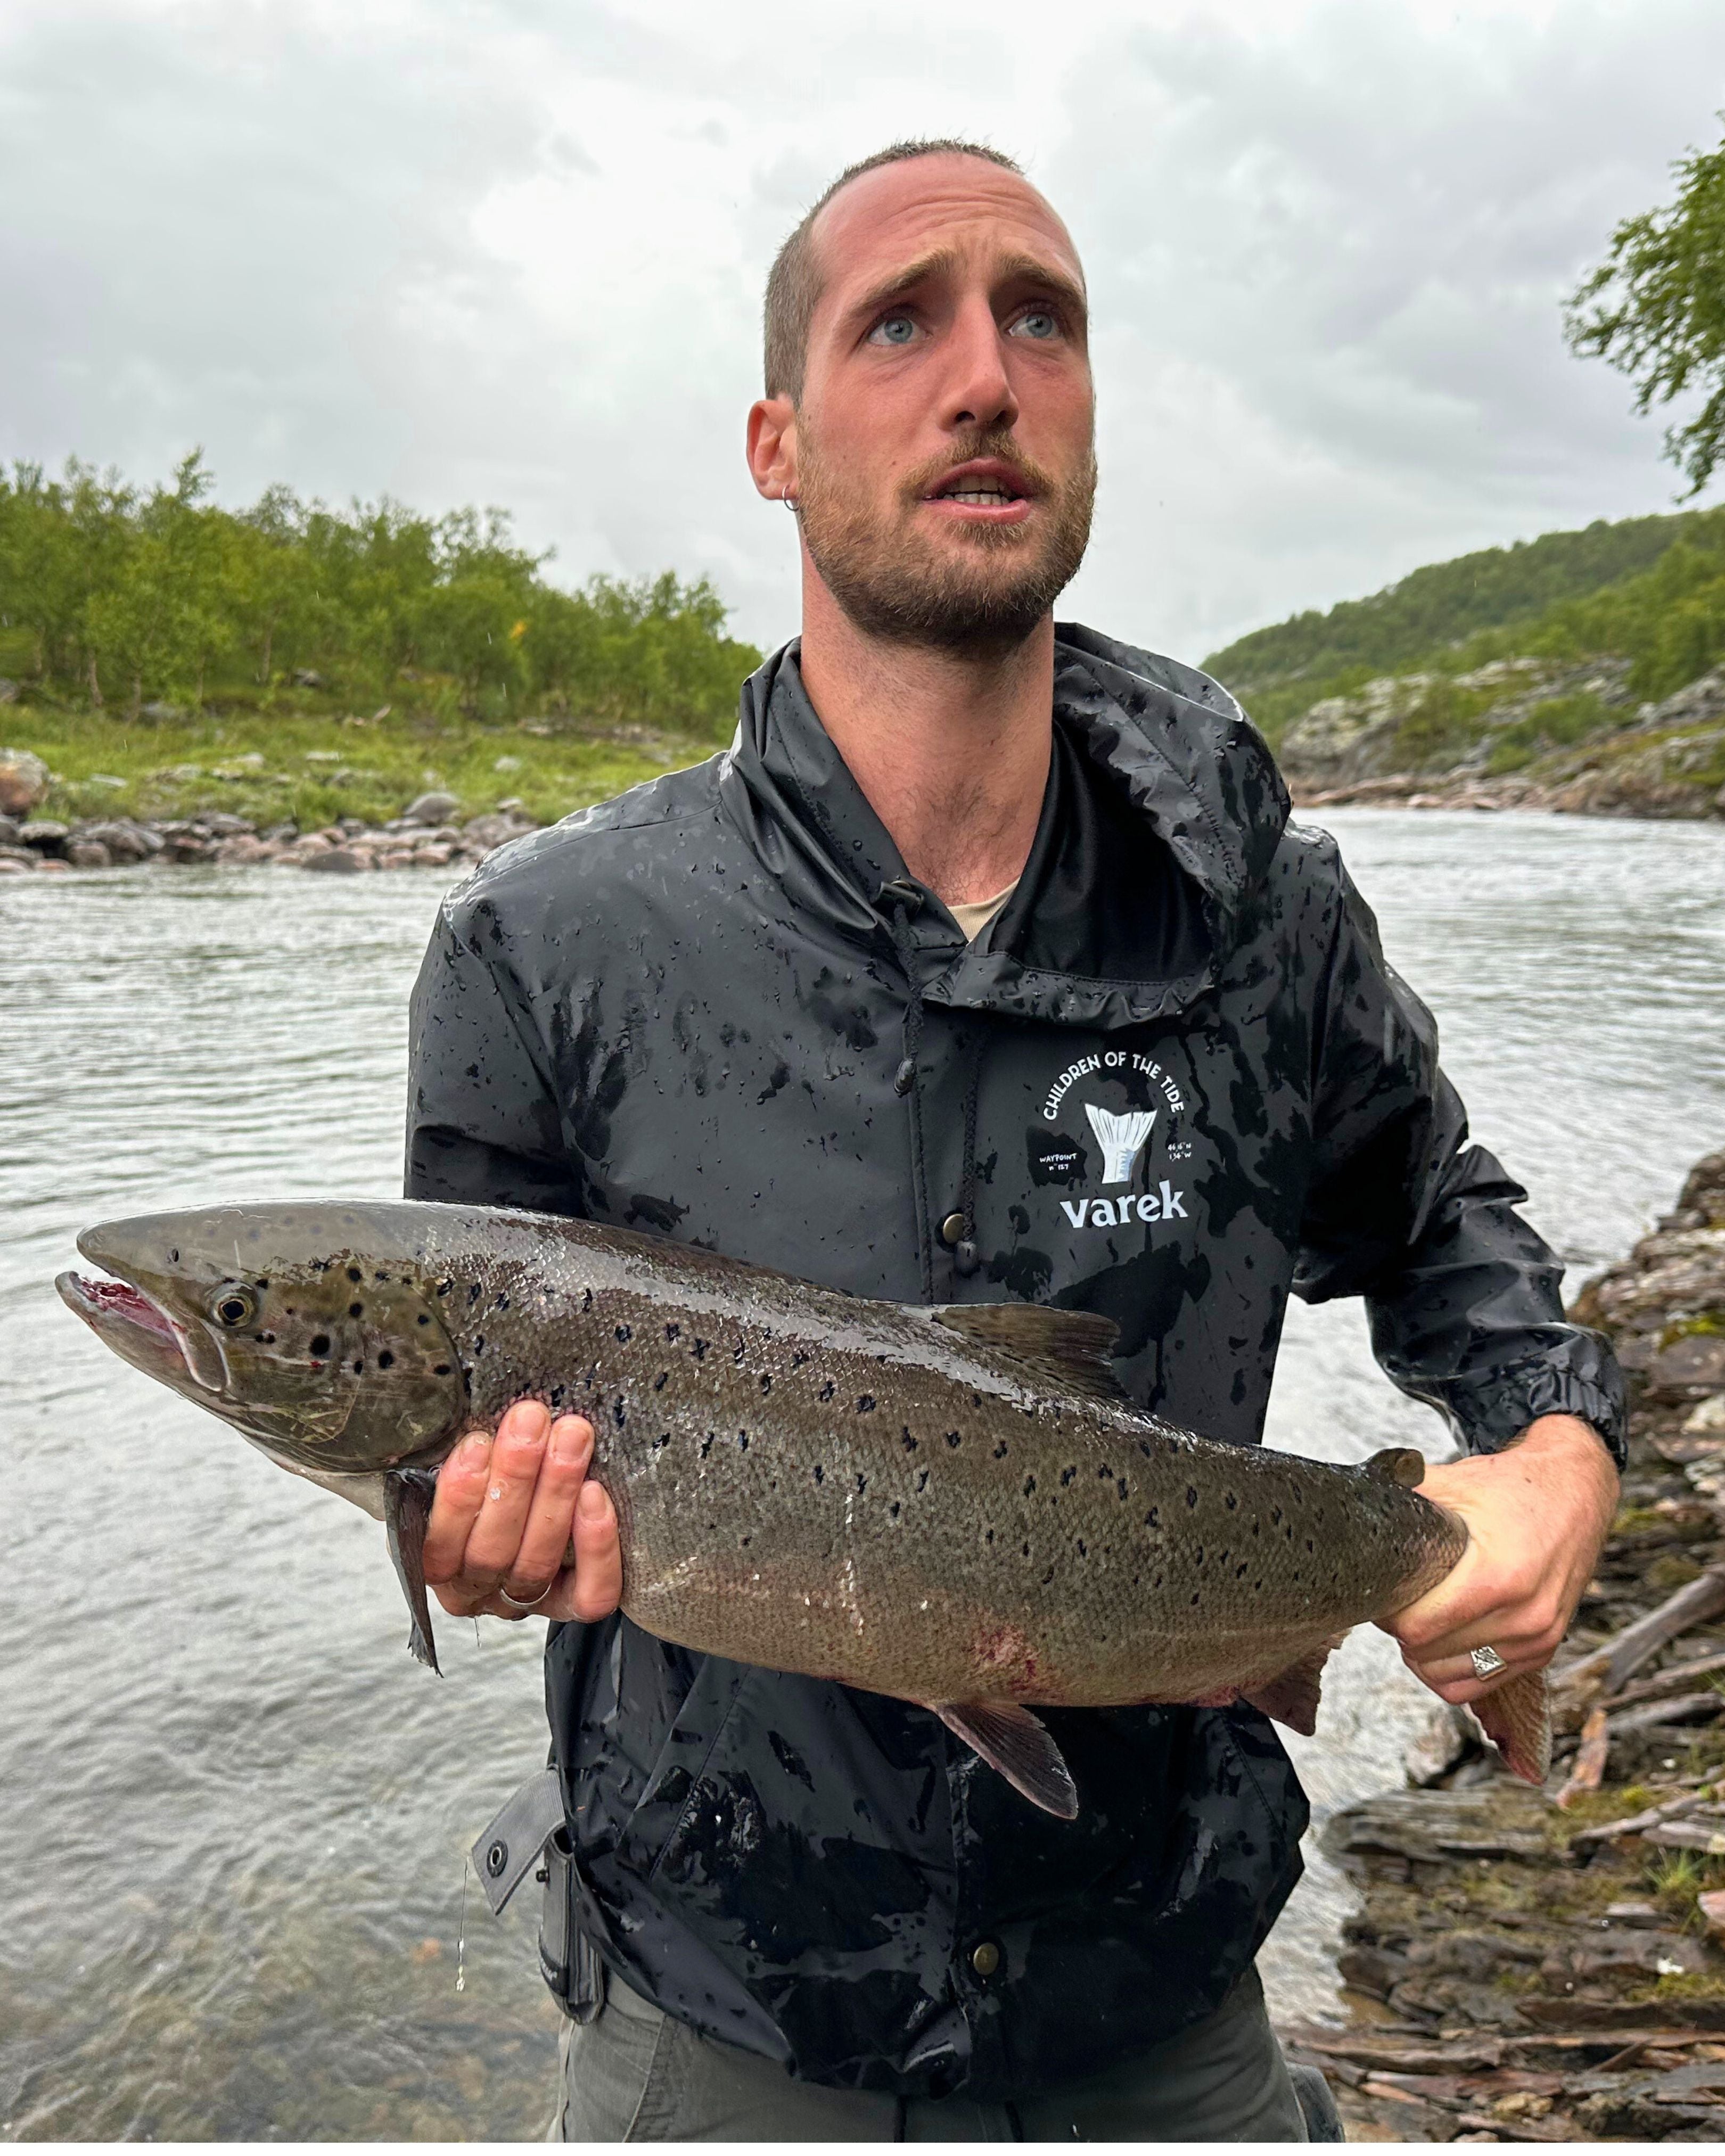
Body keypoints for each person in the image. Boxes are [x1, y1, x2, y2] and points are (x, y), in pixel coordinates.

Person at [404, 138, 1625, 2141]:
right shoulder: (547, 950)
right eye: (903, 320)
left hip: (1170, 2019)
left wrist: (1558, 1443)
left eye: (1038, 316)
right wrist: (472, 1538)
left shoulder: (1263, 914)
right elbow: (473, 1428)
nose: (986, 373)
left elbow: (1444, 1225)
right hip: (723, 2030)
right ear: (776, 441)